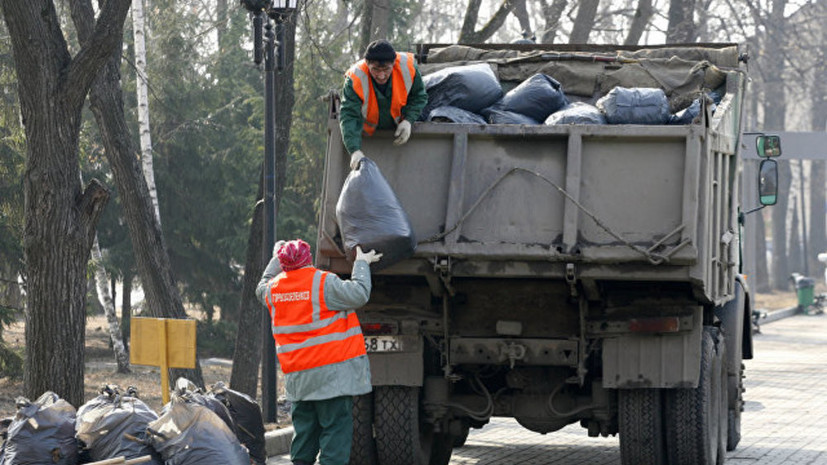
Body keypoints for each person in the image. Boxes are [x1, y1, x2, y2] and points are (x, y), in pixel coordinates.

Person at [256, 239, 382, 465]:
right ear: (308, 259)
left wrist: (276, 259)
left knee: (304, 435)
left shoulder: (274, 290)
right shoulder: (322, 282)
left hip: (298, 379)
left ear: (283, 264)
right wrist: (362, 263)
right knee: (335, 432)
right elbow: (359, 293)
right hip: (331, 377)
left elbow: (261, 287)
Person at [340, 39, 429, 170]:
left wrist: (408, 121)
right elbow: (349, 115)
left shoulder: (408, 68)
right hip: (369, 135)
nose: (381, 76)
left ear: (394, 63)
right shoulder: (355, 78)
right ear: (367, 64)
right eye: (375, 69)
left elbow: (419, 97)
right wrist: (354, 150)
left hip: (400, 129)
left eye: (386, 69)